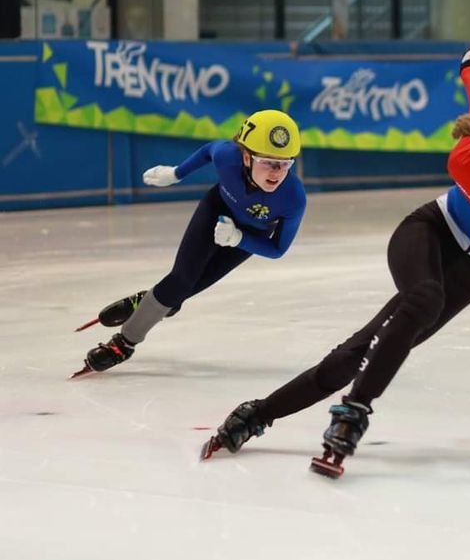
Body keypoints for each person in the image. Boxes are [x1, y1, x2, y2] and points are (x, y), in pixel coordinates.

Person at [200, 47, 470, 478]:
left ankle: (256, 414)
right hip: (430, 230)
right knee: (424, 297)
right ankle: (353, 412)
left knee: (354, 356)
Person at [73, 110, 307, 377]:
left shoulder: (293, 198)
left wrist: (238, 238)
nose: (277, 173)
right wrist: (176, 173)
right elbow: (209, 150)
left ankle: (151, 300)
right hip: (217, 209)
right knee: (181, 280)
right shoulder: (227, 157)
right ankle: (124, 343)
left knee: (187, 288)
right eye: (268, 162)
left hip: (249, 236)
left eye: (285, 164)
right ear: (245, 156)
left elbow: (278, 250)